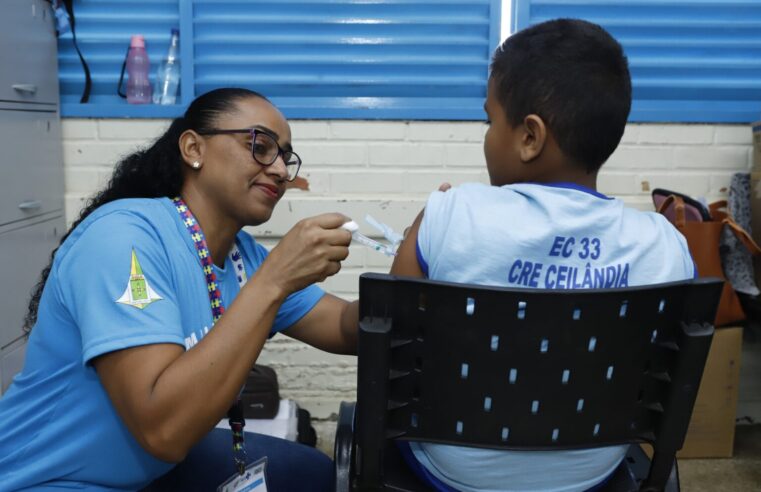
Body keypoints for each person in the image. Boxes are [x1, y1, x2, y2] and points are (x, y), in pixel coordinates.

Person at [388, 19, 695, 492]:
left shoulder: (451, 213)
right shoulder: (665, 245)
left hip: (453, 471)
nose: (487, 136)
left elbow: (393, 342)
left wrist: (425, 231)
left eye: (490, 120)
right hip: (589, 474)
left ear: (530, 136)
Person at [0, 88, 360, 491]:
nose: (278, 169)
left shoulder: (244, 259)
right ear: (193, 148)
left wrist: (420, 257)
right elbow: (163, 432)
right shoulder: (123, 239)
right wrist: (275, 279)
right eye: (260, 146)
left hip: (148, 469)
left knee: (312, 472)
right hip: (52, 479)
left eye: (285, 157)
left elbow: (347, 327)